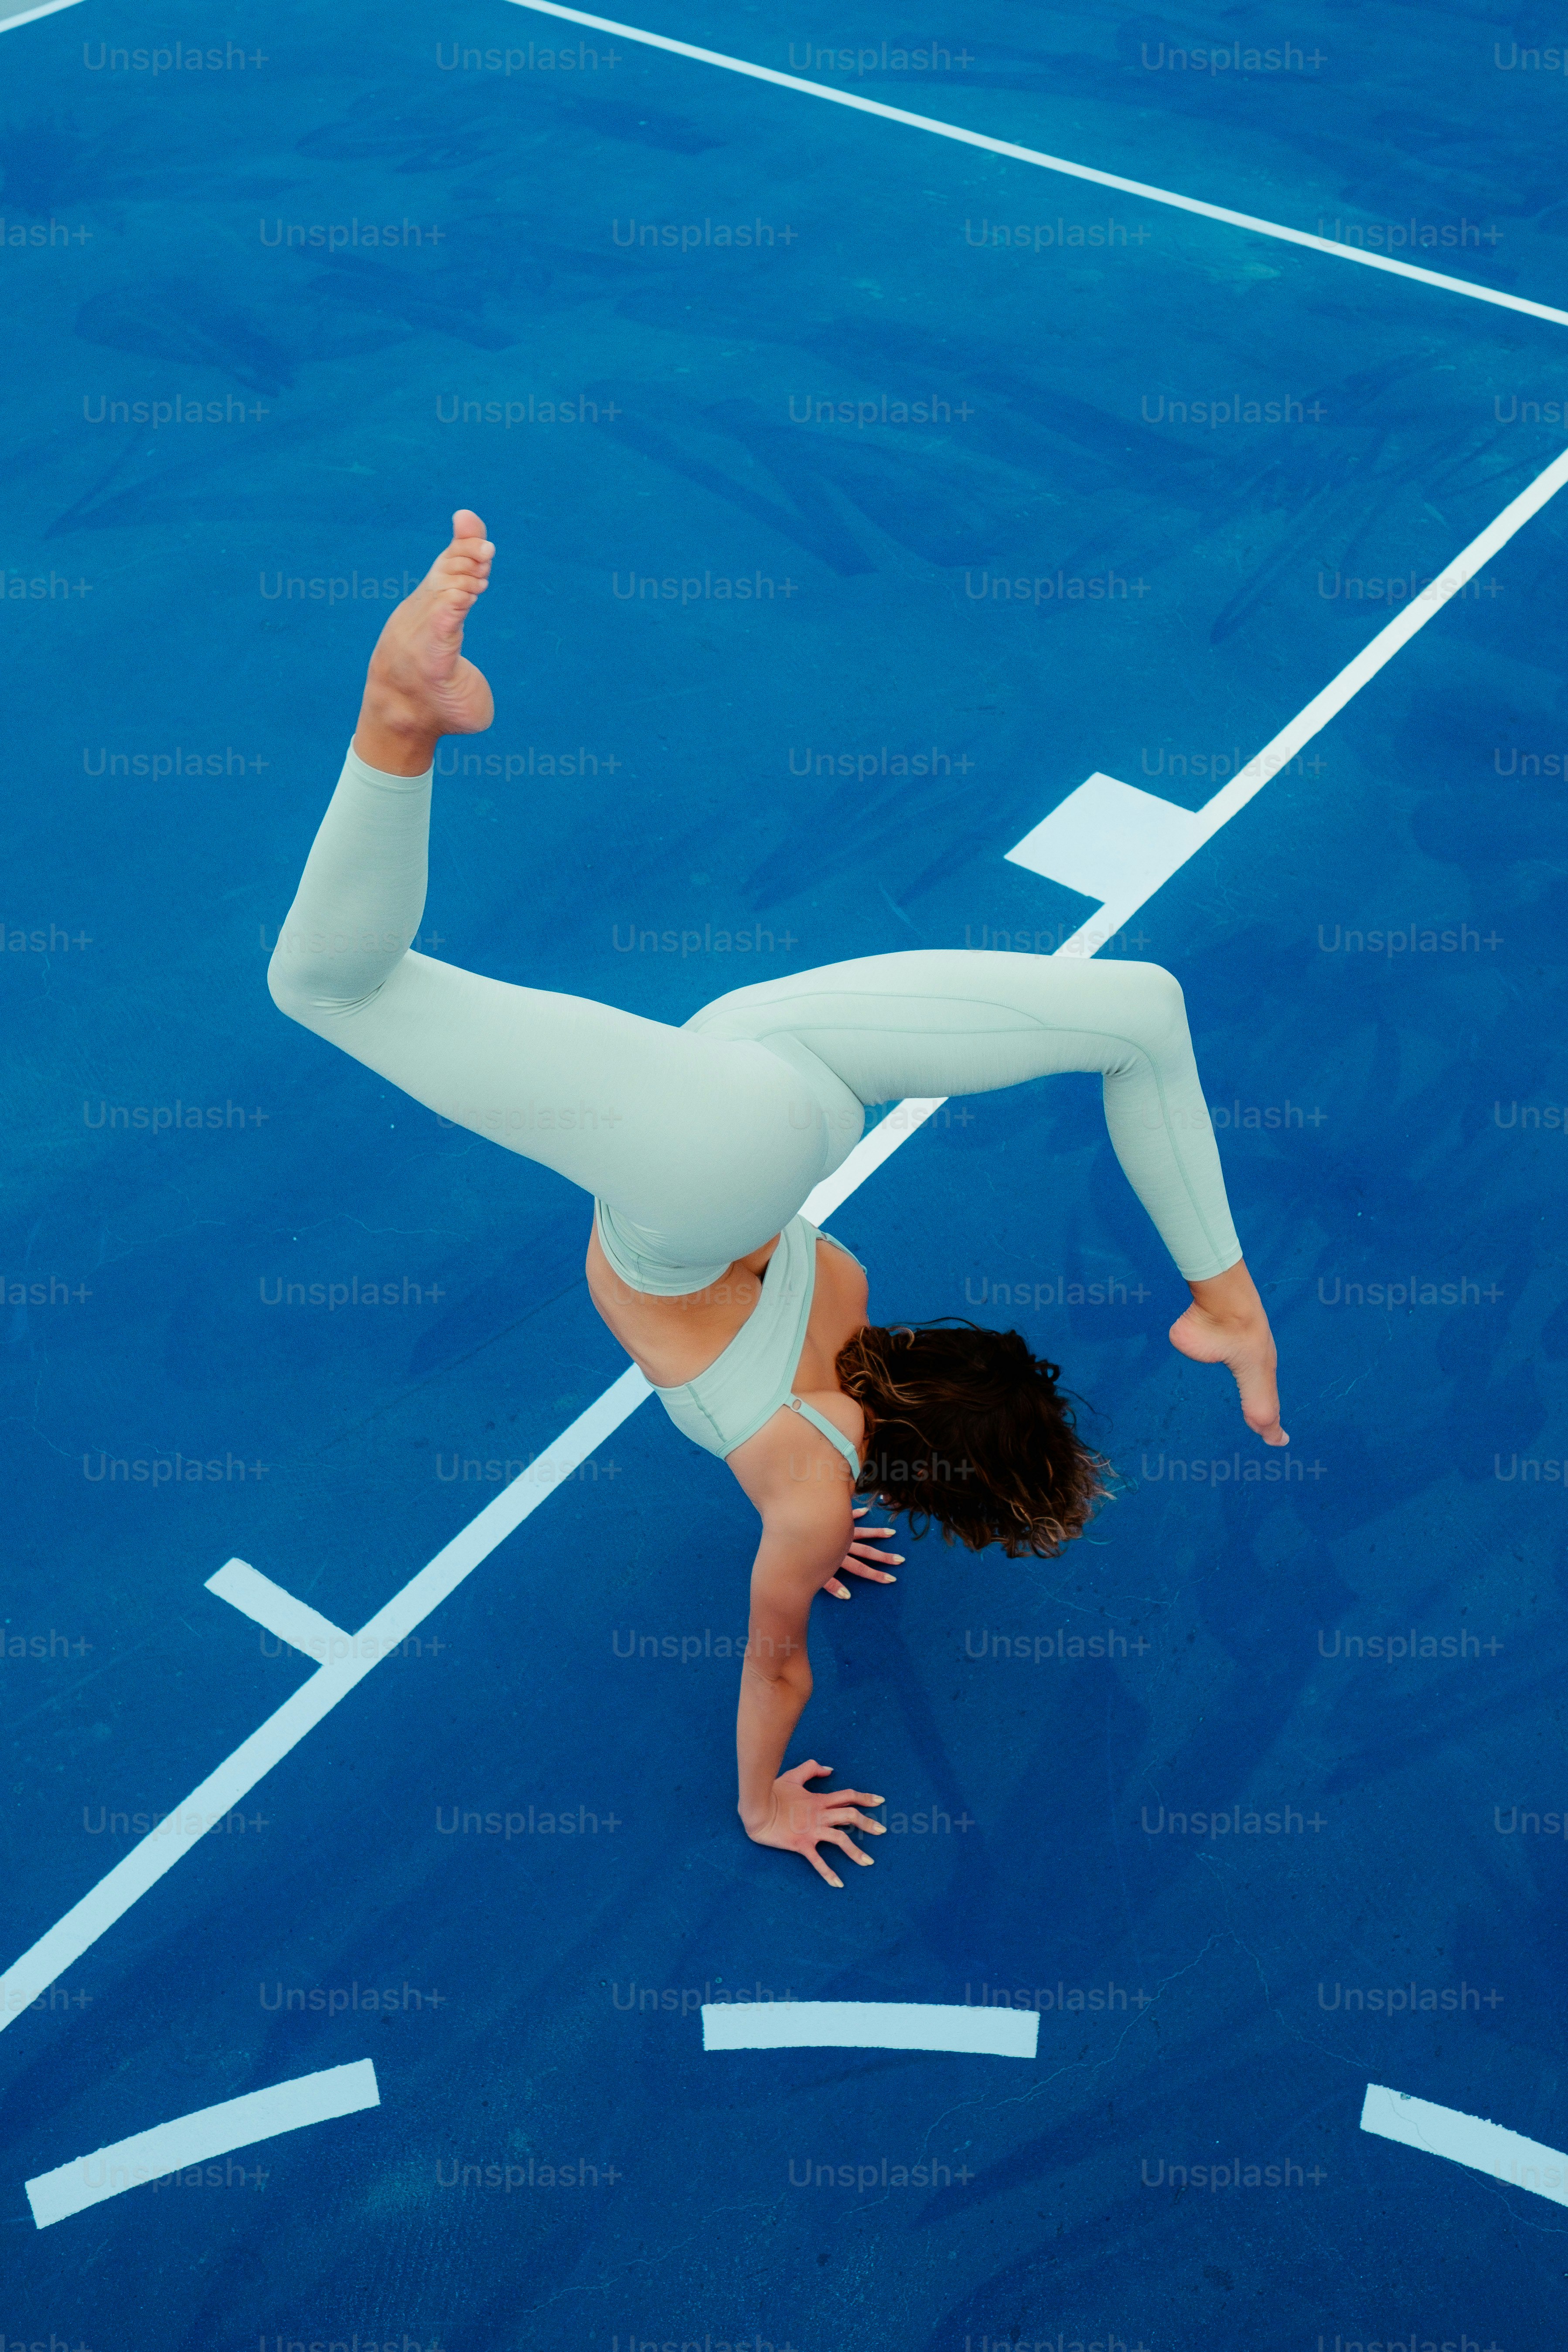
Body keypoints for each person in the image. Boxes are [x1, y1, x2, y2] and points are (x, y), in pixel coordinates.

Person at [269, 511, 1286, 1889]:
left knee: (1140, 1013)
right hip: (709, 1163)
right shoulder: (809, 1492)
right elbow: (778, 1660)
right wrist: (761, 1803)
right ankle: (402, 715)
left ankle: (1228, 1303)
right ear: (919, 1487)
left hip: (778, 1066)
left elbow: (818, 1351)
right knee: (332, 989)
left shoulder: (860, 1308)